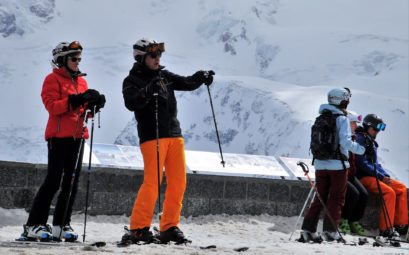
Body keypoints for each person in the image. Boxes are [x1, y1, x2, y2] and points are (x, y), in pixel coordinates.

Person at [121, 38, 215, 244]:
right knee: (152, 184)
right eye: (153, 55)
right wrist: (147, 91)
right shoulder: (131, 80)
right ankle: (138, 228)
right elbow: (131, 102)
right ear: (140, 58)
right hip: (151, 137)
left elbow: (186, 82)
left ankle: (169, 227)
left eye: (159, 55)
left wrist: (200, 77)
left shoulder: (163, 75)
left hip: (174, 135)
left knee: (178, 183)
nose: (158, 58)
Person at [19, 41, 105, 242]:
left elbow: (83, 113)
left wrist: (94, 106)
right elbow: (52, 107)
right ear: (62, 60)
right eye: (73, 58)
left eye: (79, 58)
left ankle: (60, 224)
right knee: (53, 181)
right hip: (58, 138)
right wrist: (77, 100)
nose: (77, 62)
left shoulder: (81, 82)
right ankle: (33, 225)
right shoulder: (52, 79)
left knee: (71, 183)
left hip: (77, 137)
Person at [301, 88, 365, 242]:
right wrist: (360, 149)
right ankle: (330, 232)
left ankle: (307, 230)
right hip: (338, 165)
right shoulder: (341, 119)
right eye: (347, 99)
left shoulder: (320, 118)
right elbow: (345, 142)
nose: (348, 101)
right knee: (336, 199)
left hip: (320, 165)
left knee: (320, 198)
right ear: (342, 100)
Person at [355, 114, 408, 237]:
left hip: (374, 175)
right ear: (367, 126)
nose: (377, 131)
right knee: (389, 192)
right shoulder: (360, 139)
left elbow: (375, 163)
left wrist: (385, 175)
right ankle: (386, 229)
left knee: (401, 188)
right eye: (375, 129)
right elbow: (362, 163)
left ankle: (401, 225)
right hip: (363, 177)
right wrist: (380, 177)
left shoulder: (370, 141)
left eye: (379, 129)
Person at [339, 110, 368, 235]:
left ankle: (354, 220)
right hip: (341, 173)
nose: (356, 126)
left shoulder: (353, 137)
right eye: (353, 123)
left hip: (350, 174)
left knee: (364, 194)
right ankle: (343, 219)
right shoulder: (344, 138)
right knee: (354, 194)